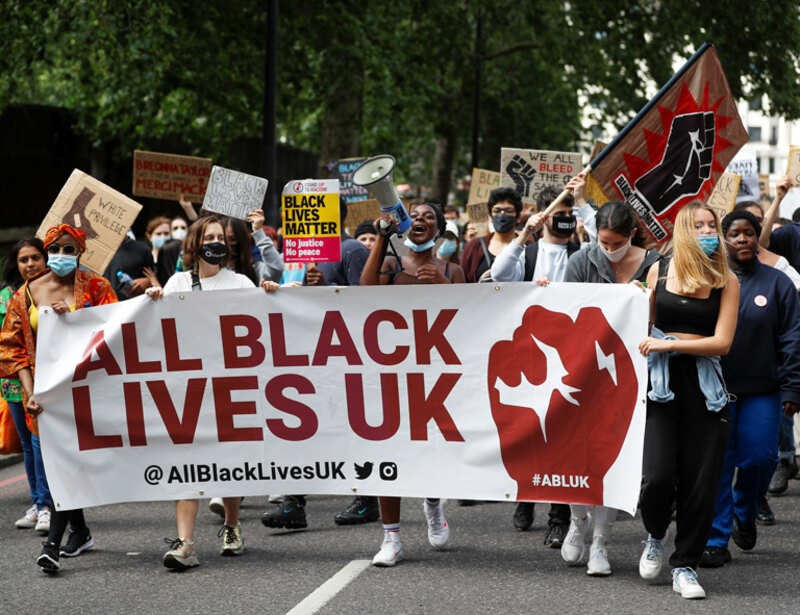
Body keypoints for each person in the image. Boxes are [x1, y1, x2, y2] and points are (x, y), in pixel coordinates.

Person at [146, 214, 281, 570]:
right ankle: (185, 544)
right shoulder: (176, 283)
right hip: (189, 390)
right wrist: (152, 301)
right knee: (185, 466)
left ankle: (231, 526)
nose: (216, 242)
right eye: (209, 237)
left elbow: (266, 318)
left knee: (230, 462)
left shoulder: (239, 281)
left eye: (221, 237)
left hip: (227, 388)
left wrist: (272, 295)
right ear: (196, 243)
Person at [0, 224, 118, 572]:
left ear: (80, 252)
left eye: (69, 250)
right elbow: (13, 346)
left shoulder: (98, 287)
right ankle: (69, 535)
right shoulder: (26, 294)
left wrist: (80, 320)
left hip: (88, 394)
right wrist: (30, 391)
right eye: (55, 250)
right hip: (45, 400)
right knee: (56, 468)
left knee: (68, 467)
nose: (61, 257)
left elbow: (118, 330)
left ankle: (62, 538)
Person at [637, 201, 739, 599]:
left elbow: (723, 342)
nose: (707, 232)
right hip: (660, 389)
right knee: (657, 477)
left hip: (705, 392)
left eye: (711, 225)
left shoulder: (726, 280)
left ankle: (685, 565)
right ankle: (654, 533)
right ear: (682, 230)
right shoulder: (658, 271)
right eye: (697, 225)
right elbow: (638, 326)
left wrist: (670, 343)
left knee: (701, 483)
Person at [557, 200, 662, 576]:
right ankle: (576, 520)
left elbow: (661, 317)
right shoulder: (581, 261)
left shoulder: (654, 264)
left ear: (632, 234)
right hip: (583, 373)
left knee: (612, 457)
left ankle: (601, 540)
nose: (609, 248)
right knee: (575, 453)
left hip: (630, 373)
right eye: (603, 241)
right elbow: (564, 311)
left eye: (616, 242)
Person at [360, 201, 464, 566]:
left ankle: (433, 504)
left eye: (429, 217)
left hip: (434, 374)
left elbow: (468, 317)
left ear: (438, 230)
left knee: (431, 448)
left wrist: (442, 284)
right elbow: (364, 290)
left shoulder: (452, 269)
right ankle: (392, 538)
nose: (420, 220)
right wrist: (382, 238)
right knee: (388, 452)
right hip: (391, 372)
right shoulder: (390, 264)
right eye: (414, 216)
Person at [698, 210, 800, 568]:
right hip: (716, 391)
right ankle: (716, 538)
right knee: (719, 464)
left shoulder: (778, 283)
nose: (743, 239)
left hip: (763, 391)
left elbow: (792, 337)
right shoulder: (708, 281)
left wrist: (792, 389)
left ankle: (745, 509)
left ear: (758, 238)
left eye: (749, 234)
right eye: (735, 234)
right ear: (724, 239)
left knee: (760, 459)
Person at [1, 238, 51, 534]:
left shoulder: (58, 290)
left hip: (47, 381)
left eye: (35, 258)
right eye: (24, 260)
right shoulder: (7, 297)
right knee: (29, 447)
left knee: (41, 444)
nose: (30, 264)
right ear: (15, 264)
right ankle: (38, 502)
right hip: (13, 383)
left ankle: (48, 505)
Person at [461, 187, 522, 282]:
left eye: (508, 211)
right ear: (490, 216)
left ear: (518, 217)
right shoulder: (474, 246)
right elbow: (462, 283)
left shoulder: (528, 249)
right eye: (497, 211)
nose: (502, 215)